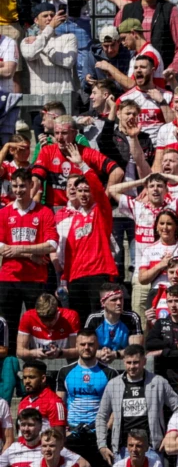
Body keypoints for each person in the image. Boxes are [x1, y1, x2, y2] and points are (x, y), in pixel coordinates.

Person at [56, 144, 120, 323]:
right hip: (76, 278)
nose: (83, 194)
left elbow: (99, 190)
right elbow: (69, 252)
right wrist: (64, 278)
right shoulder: (73, 219)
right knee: (80, 321)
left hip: (98, 274)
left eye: (86, 190)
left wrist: (82, 164)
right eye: (79, 191)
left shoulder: (101, 211)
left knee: (99, 319)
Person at [0, 168, 59, 353]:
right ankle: (8, 366)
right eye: (15, 186)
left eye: (22, 186)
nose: (18, 190)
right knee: (7, 325)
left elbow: (51, 244)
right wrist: (29, 254)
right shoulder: (4, 213)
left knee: (37, 323)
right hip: (9, 278)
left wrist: (18, 248)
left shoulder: (44, 213)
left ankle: (38, 364)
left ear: (31, 185)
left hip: (35, 279)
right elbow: (1, 246)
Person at [96, 344, 178, 464]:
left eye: (136, 362)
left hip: (152, 449)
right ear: (124, 362)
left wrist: (170, 435)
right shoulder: (113, 385)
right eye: (129, 362)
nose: (132, 366)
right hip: (122, 450)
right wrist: (102, 445)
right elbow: (101, 416)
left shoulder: (158, 382)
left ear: (144, 361)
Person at [56, 329, 118, 467]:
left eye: (91, 344)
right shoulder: (65, 372)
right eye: (82, 344)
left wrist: (105, 429)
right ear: (76, 345)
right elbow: (59, 405)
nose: (87, 347)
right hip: (73, 434)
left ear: (97, 345)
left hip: (99, 435)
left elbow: (116, 408)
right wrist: (63, 432)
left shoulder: (110, 373)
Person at [32, 115, 123, 207]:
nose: (59, 138)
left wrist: (104, 199)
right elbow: (36, 178)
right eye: (56, 133)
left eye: (64, 133)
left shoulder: (87, 153)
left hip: (81, 211)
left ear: (74, 133)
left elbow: (118, 172)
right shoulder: (47, 151)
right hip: (54, 209)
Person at [0, 408, 89, 467]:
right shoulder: (13, 448)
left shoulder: (50, 446)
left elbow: (85, 464)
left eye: (30, 425)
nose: (26, 429)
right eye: (23, 425)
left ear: (40, 426)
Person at [117, 0, 178, 73]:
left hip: (161, 75)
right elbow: (114, 43)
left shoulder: (170, 10)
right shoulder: (125, 11)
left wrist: (171, 71)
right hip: (130, 76)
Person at [20, 2, 79, 95]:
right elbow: (29, 54)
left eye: (52, 15)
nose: (49, 18)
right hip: (40, 97)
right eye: (45, 16)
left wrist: (43, 46)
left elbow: (68, 62)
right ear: (36, 20)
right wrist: (50, 28)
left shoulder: (69, 37)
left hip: (64, 95)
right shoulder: (27, 41)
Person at [85, 283, 144, 362]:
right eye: (114, 300)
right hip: (98, 363)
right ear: (103, 303)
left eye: (121, 298)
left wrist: (115, 354)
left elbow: (136, 349)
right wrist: (99, 353)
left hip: (126, 364)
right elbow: (83, 347)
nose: (119, 303)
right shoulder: (93, 319)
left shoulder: (132, 318)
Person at [17, 293, 80, 361]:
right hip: (36, 361)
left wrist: (60, 352)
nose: (48, 323)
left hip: (64, 359)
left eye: (51, 319)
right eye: (43, 320)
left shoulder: (71, 316)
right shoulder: (28, 316)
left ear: (57, 311)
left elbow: (77, 350)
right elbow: (20, 351)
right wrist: (33, 353)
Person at [18, 362, 67, 435]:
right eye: (24, 378)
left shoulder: (54, 402)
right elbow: (20, 434)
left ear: (43, 378)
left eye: (31, 377)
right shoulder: (23, 402)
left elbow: (59, 437)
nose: (27, 381)